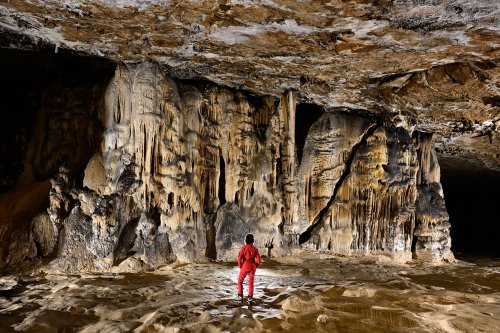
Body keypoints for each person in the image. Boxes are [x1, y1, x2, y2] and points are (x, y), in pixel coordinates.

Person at [235, 233, 262, 303]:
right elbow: (259, 260)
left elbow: (239, 258)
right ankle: (250, 298)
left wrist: (240, 266)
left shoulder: (243, 248)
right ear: (253, 240)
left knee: (240, 281)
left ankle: (240, 296)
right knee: (251, 283)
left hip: (245, 266)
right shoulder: (255, 249)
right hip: (252, 267)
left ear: (245, 240)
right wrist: (256, 266)